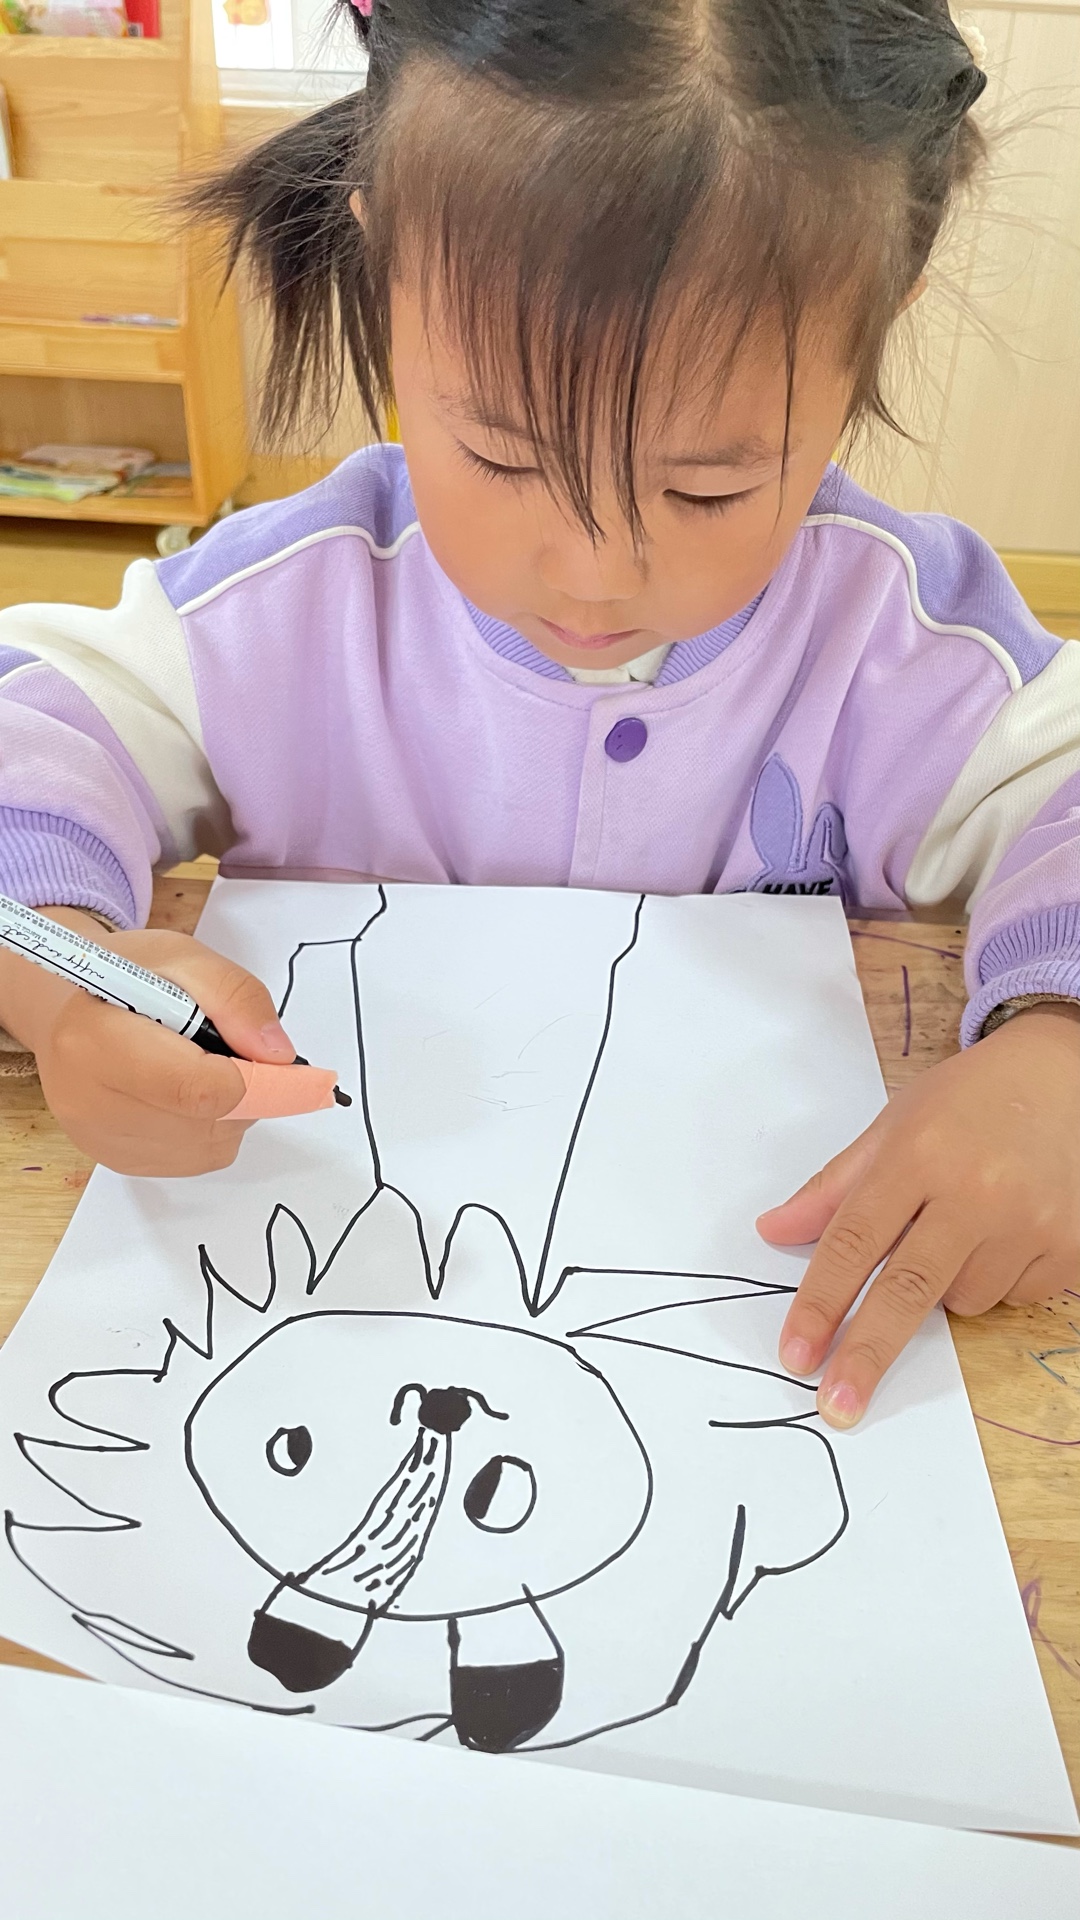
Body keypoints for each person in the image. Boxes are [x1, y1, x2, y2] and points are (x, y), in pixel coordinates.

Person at [1, 0, 1077, 1429]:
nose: (593, 570)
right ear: (386, 269)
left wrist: (1058, 1053)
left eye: (705, 486)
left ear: (876, 327)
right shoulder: (284, 610)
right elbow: (35, 729)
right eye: (504, 457)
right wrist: (66, 981)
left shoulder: (905, 647)